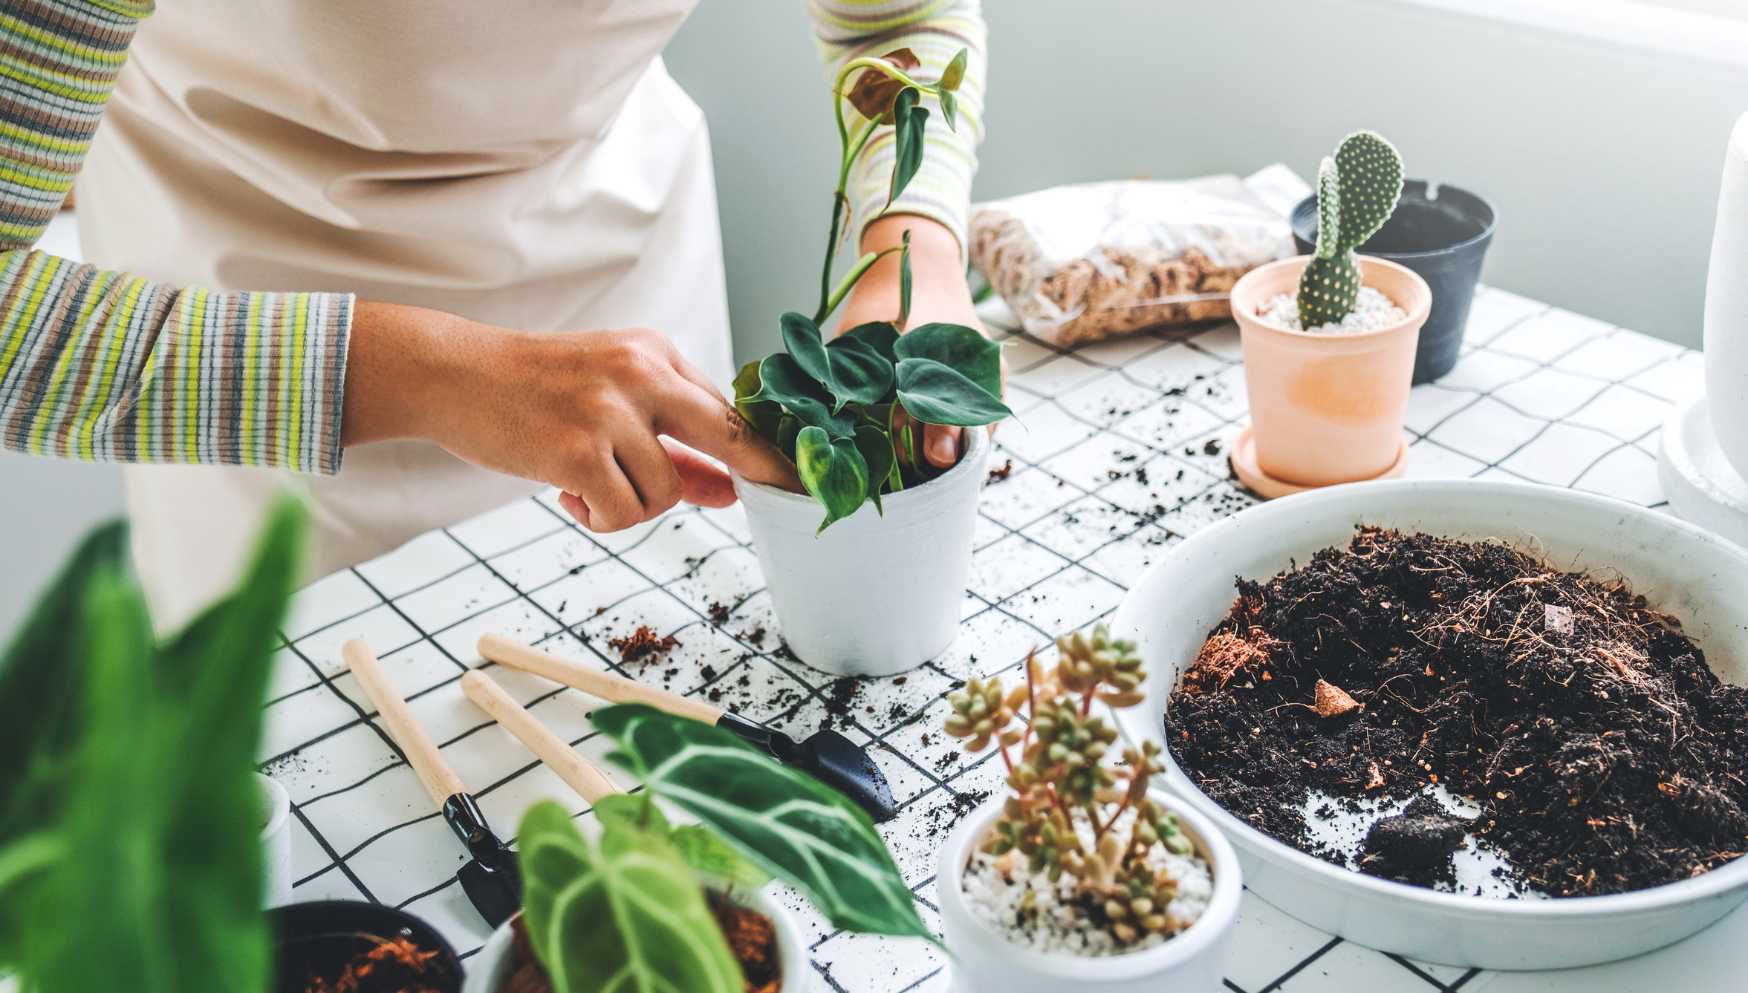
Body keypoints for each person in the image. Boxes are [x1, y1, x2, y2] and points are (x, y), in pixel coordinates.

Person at [0, 1, 988, 627]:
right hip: (265, 356)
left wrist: (911, 236)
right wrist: (435, 373)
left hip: (627, 282)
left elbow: (889, 19)